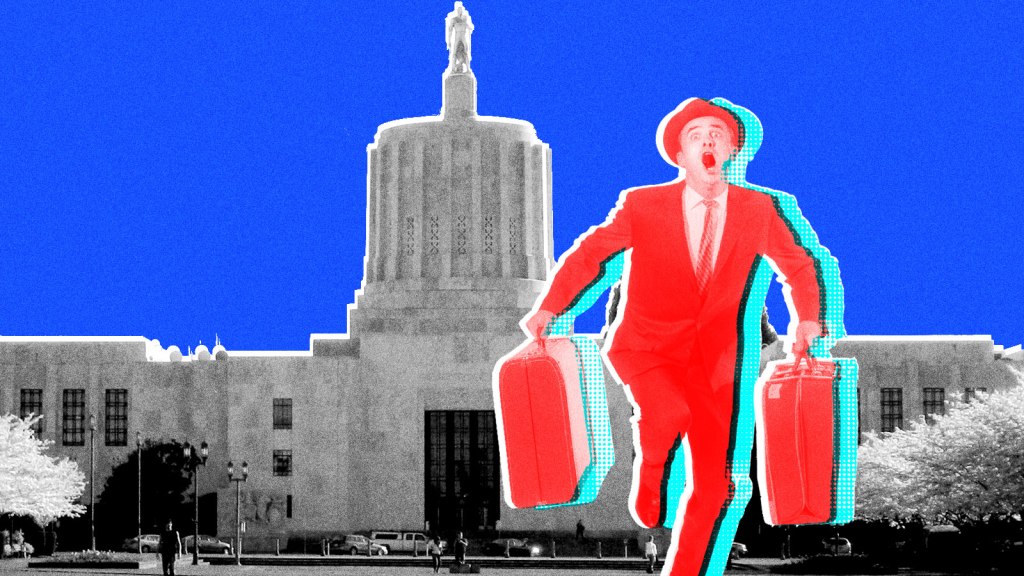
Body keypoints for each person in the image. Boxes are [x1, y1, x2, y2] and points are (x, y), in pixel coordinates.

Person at [522, 97, 843, 576]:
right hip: (646, 349)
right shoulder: (643, 204)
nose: (708, 141)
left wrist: (809, 320)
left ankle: (686, 569)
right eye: (697, 136)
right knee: (670, 411)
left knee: (717, 485)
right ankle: (652, 466)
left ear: (732, 149)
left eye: (717, 135)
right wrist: (551, 307)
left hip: (718, 365)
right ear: (680, 153)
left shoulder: (760, 209)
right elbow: (592, 255)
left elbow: (800, 264)